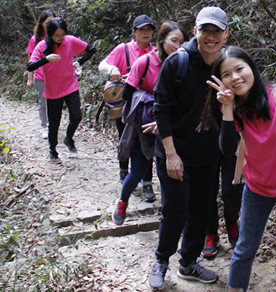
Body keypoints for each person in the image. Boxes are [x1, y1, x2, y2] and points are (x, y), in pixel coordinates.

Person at [203, 45, 276, 292]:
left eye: (239, 69)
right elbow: (227, 147)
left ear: (251, 67)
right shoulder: (233, 106)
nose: (235, 77)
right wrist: (228, 108)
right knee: (244, 249)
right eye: (227, 74)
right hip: (258, 189)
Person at [148, 6, 229, 288]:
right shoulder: (177, 62)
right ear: (195, 31)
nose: (211, 37)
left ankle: (189, 262)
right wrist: (170, 154)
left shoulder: (227, 64)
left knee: (201, 209)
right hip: (174, 151)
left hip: (208, 154)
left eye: (216, 31)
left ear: (225, 34)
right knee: (176, 209)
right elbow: (161, 109)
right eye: (205, 30)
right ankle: (161, 260)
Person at [111, 21, 188, 225]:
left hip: (170, 127)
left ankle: (169, 216)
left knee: (168, 174)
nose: (178, 46)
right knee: (137, 170)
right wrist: (149, 106)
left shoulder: (184, 64)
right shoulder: (144, 62)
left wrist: (164, 121)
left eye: (182, 42)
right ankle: (123, 202)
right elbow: (127, 93)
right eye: (174, 41)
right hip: (143, 125)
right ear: (161, 41)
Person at [99, 14, 156, 201]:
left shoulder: (155, 52)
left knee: (147, 142)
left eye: (149, 30)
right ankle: (124, 169)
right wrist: (112, 70)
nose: (146, 33)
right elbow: (103, 65)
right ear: (134, 32)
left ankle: (147, 183)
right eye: (142, 30)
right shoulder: (123, 49)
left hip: (146, 106)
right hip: (126, 103)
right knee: (125, 137)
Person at [27, 17, 96, 163]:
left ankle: (69, 138)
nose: (59, 38)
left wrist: (78, 62)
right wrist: (46, 59)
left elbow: (91, 49)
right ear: (50, 34)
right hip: (53, 90)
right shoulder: (41, 47)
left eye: (62, 35)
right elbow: (30, 66)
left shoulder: (69, 41)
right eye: (56, 36)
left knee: (77, 115)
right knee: (54, 122)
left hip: (70, 85)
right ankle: (53, 150)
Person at [26, 9, 55, 138]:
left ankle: (52, 125)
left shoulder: (56, 36)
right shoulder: (35, 39)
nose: (49, 24)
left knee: (54, 102)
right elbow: (30, 59)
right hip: (40, 76)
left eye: (52, 21)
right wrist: (30, 78)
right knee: (43, 102)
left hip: (55, 75)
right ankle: (45, 126)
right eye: (47, 22)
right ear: (42, 23)